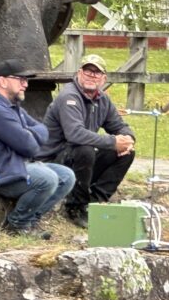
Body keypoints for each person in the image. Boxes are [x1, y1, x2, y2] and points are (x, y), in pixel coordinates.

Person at [0, 59, 75, 238]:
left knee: (66, 176)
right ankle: (17, 224)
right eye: (21, 79)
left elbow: (42, 129)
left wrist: (28, 132)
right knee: (47, 178)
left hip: (12, 168)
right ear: (3, 81)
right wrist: (29, 134)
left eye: (26, 80)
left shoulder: (10, 105)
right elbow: (30, 147)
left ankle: (31, 220)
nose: (26, 84)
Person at [38, 54, 136, 228]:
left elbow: (119, 125)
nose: (92, 75)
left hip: (79, 159)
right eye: (88, 71)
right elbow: (74, 134)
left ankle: (95, 201)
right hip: (53, 160)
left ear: (103, 78)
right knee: (85, 149)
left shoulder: (102, 99)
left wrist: (128, 139)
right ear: (79, 73)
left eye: (97, 73)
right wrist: (113, 141)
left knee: (125, 153)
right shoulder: (69, 96)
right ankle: (75, 207)